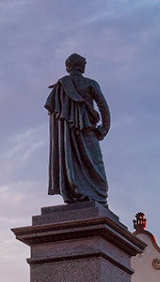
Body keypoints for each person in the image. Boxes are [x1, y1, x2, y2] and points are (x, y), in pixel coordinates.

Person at [45, 54, 111, 206]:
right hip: (88, 131)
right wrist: (104, 128)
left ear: (68, 66)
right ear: (82, 66)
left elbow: (53, 114)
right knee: (97, 166)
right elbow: (103, 107)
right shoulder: (90, 84)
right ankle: (99, 198)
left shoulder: (60, 86)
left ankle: (75, 193)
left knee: (72, 164)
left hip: (67, 137)